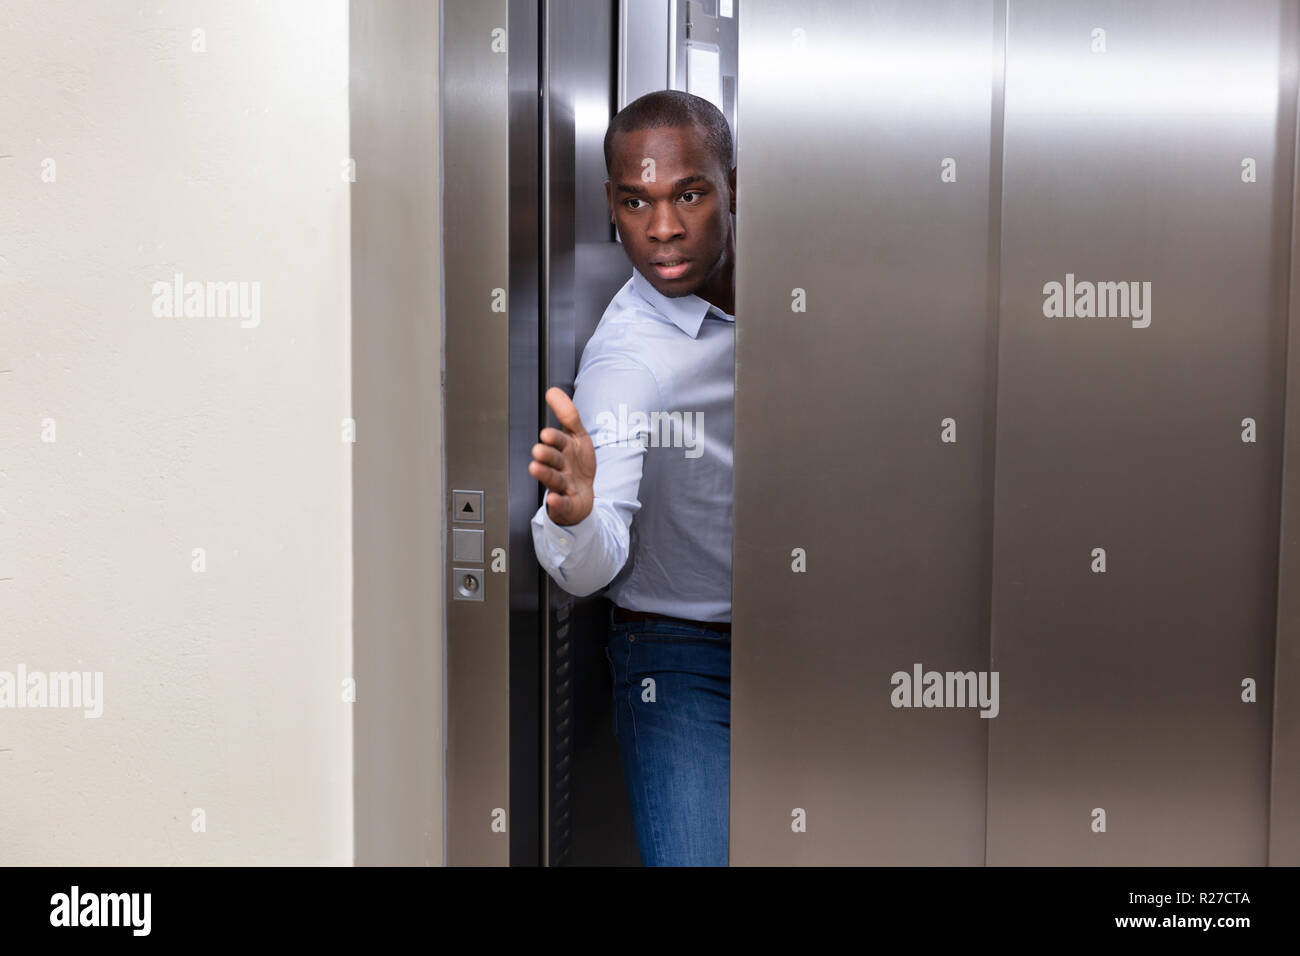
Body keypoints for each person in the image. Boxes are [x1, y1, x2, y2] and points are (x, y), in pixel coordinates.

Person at [528, 90, 736, 866]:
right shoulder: (626, 362)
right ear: (611, 207)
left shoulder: (800, 298)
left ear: (734, 186)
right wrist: (577, 515)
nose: (664, 229)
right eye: (635, 201)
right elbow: (595, 557)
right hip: (680, 656)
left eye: (689, 193)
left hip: (820, 637)